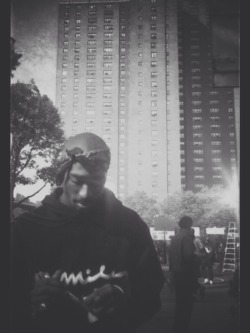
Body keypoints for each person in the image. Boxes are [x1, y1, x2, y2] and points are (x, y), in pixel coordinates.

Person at [10, 132, 165, 333]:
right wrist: (28, 302)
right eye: (77, 181)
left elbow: (152, 290)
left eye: (96, 182)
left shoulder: (129, 225)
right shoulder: (26, 229)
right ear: (61, 176)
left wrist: (123, 296)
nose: (85, 194)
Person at [169, 216, 196, 333]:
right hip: (186, 275)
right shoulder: (187, 238)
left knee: (179, 304)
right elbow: (188, 256)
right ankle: (183, 329)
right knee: (187, 306)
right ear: (189, 224)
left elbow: (171, 258)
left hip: (176, 274)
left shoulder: (174, 238)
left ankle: (177, 328)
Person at [190, 229, 205, 299]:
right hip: (190, 259)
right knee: (192, 276)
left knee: (194, 275)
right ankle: (197, 288)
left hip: (196, 259)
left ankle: (195, 291)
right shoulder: (188, 239)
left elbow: (202, 247)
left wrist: (197, 251)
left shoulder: (196, 240)